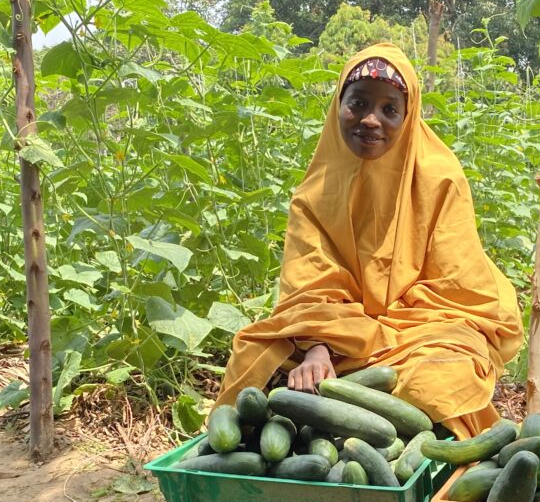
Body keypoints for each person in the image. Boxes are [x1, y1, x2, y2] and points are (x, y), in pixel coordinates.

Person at [214, 43, 522, 438]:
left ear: (408, 119)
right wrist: (318, 348)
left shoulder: (441, 179)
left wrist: (383, 335)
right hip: (337, 339)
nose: (371, 120)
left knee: (444, 375)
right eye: (358, 104)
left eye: (389, 110)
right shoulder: (314, 197)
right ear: (338, 105)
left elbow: (455, 289)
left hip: (422, 332)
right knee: (255, 358)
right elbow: (310, 289)